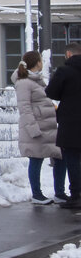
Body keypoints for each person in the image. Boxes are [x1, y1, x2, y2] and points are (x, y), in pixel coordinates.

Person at [12, 50, 66, 204]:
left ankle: (60, 193)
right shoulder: (24, 83)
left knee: (60, 157)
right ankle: (37, 194)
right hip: (37, 129)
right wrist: (33, 129)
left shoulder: (36, 81)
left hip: (48, 128)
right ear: (37, 62)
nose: (42, 62)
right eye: (41, 60)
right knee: (36, 159)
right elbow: (25, 108)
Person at [45, 42, 81, 208]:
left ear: (68, 54)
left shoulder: (64, 71)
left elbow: (51, 92)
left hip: (70, 123)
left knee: (72, 159)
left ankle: (76, 195)